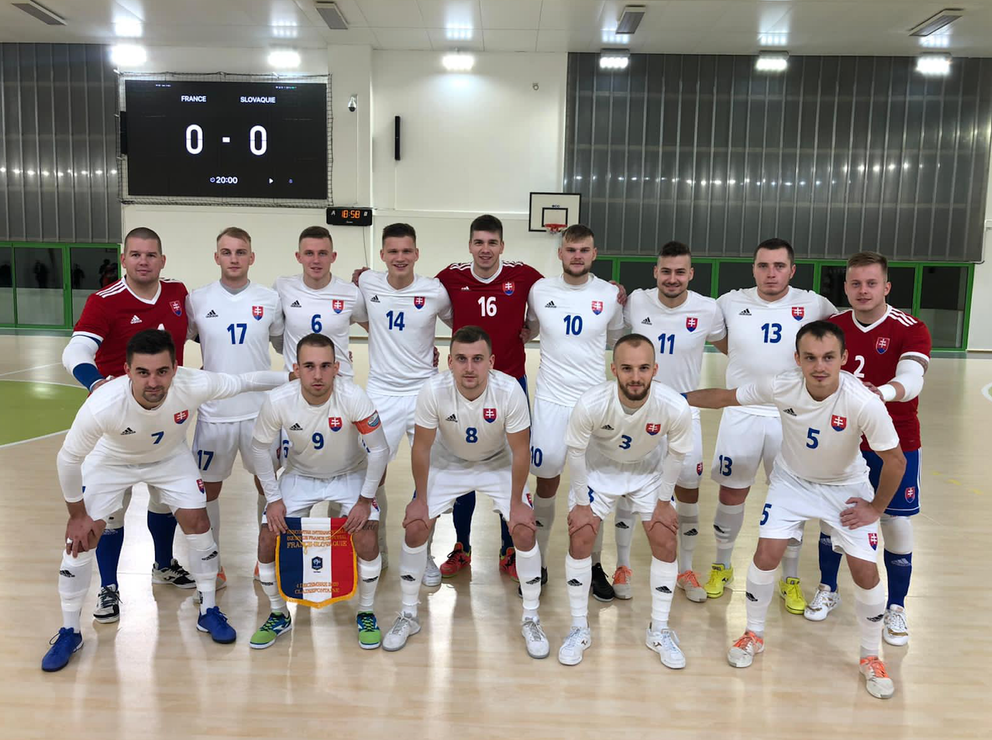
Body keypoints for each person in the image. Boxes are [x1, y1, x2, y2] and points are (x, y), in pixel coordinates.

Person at [42, 330, 291, 671]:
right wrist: (76, 514)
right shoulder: (103, 404)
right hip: (112, 461)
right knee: (80, 540)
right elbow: (67, 459)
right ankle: (70, 630)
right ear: (127, 371)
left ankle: (207, 610)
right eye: (143, 372)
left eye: (161, 371)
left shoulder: (193, 384)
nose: (153, 381)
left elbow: (245, 381)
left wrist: (293, 376)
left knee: (199, 522)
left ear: (175, 368)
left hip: (169, 459)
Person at [686, 321, 905, 699]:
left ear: (844, 359)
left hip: (845, 488)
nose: (819, 366)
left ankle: (871, 655)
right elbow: (724, 397)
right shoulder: (782, 384)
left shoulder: (862, 401)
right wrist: (668, 395)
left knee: (865, 572)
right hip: (792, 482)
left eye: (828, 358)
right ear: (798, 359)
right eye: (810, 358)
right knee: (765, 553)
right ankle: (754, 632)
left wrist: (875, 508)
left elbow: (896, 461)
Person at [382, 326, 548, 659]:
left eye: (477, 359)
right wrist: (421, 500)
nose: (469, 368)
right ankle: (409, 614)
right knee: (416, 526)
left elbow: (519, 451)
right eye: (461, 359)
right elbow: (423, 448)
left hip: (497, 462)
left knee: (524, 532)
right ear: (449, 361)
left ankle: (531, 618)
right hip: (449, 461)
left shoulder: (510, 390)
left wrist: (516, 504)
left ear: (492, 361)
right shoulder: (433, 390)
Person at [61, 226, 193, 624]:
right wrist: (96, 383)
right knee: (112, 513)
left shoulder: (177, 294)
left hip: (166, 416)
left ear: (162, 260)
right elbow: (77, 349)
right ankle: (108, 586)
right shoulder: (105, 301)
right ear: (123, 259)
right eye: (135, 254)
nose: (143, 261)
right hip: (116, 425)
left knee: (163, 499)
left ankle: (164, 564)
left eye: (151, 255)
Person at [704, 238, 836, 615]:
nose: (771, 273)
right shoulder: (729, 302)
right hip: (741, 412)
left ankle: (789, 577)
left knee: (792, 498)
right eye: (764, 265)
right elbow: (720, 340)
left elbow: (845, 332)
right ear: (754, 269)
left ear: (792, 270)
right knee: (732, 494)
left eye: (779, 266)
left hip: (792, 418)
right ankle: (722, 565)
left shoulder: (814, 304)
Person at [806, 252, 930, 646]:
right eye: (855, 284)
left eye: (871, 283)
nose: (863, 291)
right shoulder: (832, 327)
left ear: (886, 287)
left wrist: (884, 393)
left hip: (896, 441)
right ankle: (829, 587)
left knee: (894, 521)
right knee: (833, 515)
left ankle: (896, 607)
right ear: (845, 288)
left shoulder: (910, 328)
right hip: (841, 440)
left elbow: (913, 377)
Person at [558, 334, 694, 668]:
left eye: (644, 368)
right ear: (614, 369)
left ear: (655, 369)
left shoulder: (673, 405)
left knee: (664, 538)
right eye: (628, 368)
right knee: (582, 536)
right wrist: (580, 502)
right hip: (599, 471)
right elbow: (575, 453)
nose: (636, 376)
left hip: (648, 473)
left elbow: (676, 456)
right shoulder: (591, 403)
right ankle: (578, 627)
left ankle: (659, 630)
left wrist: (664, 502)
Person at [248, 334, 389, 650]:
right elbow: (258, 449)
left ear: (337, 367)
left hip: (349, 474)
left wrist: (366, 500)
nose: (317, 375)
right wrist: (273, 499)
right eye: (309, 366)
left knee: (367, 534)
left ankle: (365, 612)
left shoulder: (354, 396)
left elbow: (379, 450)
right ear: (296, 368)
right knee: (268, 536)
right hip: (301, 475)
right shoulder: (278, 400)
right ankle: (278, 613)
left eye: (325, 366)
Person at [431, 215, 542, 580]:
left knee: (511, 467)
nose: (485, 249)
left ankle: (509, 547)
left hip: (511, 387)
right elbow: (418, 297)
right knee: (465, 461)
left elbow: (554, 297)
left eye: (492, 243)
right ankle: (462, 546)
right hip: (466, 388)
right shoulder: (452, 276)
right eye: (479, 242)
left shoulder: (524, 275)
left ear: (502, 246)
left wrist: (531, 330)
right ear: (469, 246)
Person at [617, 241, 726, 602]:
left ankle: (686, 568)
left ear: (691, 274)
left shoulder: (708, 309)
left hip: (684, 414)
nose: (673, 278)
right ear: (655, 273)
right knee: (627, 484)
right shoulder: (636, 301)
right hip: (635, 411)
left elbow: (733, 348)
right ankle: (622, 565)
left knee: (688, 490)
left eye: (680, 272)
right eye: (666, 271)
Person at [525, 224, 624, 600]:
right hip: (550, 401)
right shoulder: (540, 291)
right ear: (560, 253)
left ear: (594, 254)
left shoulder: (610, 295)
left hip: (594, 404)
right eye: (570, 250)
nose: (577, 256)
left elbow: (615, 339)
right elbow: (530, 330)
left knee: (594, 487)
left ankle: (595, 565)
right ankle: (539, 563)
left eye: (584, 250)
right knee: (546, 481)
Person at [186, 227, 284, 586]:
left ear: (251, 257)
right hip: (215, 415)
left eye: (240, 252)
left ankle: (266, 559)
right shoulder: (197, 299)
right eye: (226, 252)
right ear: (216, 257)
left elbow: (283, 343)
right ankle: (212, 564)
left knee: (268, 487)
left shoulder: (269, 299)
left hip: (261, 413)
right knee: (208, 491)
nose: (233, 258)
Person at [357, 223, 453, 582]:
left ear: (417, 254)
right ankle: (376, 548)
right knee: (370, 472)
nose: (400, 257)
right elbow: (363, 318)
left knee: (429, 475)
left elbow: (458, 323)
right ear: (382, 255)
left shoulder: (434, 291)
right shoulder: (367, 283)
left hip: (424, 393)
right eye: (392, 251)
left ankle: (421, 554)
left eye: (406, 251)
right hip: (381, 391)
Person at [274, 225, 367, 376]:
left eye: (322, 253)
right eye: (309, 253)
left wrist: (341, 355)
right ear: (299, 257)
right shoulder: (282, 286)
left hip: (339, 384)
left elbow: (376, 330)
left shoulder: (351, 293)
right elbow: (274, 332)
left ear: (333, 256)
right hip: (297, 385)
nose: (316, 260)